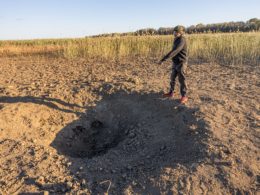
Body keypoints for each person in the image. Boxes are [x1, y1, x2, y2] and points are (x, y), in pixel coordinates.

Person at [159, 25, 188, 104]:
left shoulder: (182, 40)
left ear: (181, 32)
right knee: (172, 78)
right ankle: (171, 93)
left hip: (181, 63)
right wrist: (163, 58)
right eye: (174, 31)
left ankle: (184, 96)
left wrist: (165, 59)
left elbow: (176, 51)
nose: (174, 33)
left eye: (176, 32)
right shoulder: (176, 39)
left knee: (182, 80)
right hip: (175, 62)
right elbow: (172, 50)